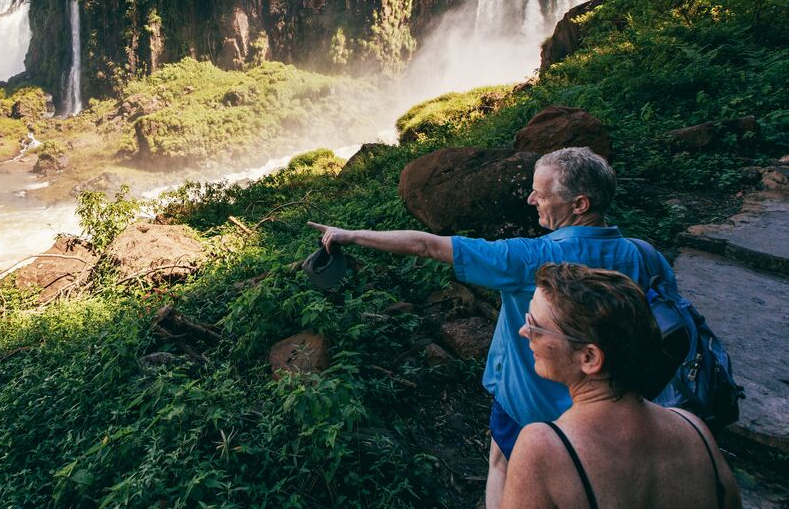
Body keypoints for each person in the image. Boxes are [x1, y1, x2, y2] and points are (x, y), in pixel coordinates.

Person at [307, 146, 678, 509]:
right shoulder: (644, 255)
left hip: (529, 407)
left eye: (540, 193)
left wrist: (349, 235)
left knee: (503, 467)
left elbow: (426, 246)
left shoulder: (530, 259)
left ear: (579, 204)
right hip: (614, 409)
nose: (531, 200)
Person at [501, 263, 740, 509]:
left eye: (535, 326)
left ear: (589, 358)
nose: (523, 331)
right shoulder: (695, 431)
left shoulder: (543, 447)